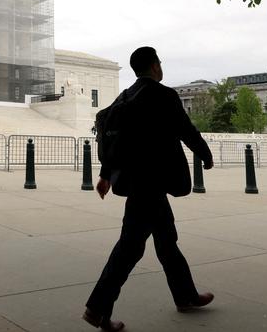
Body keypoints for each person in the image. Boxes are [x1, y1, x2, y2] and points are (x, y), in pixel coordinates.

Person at [82, 46, 216, 331]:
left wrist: (106, 175)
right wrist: (205, 154)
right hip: (151, 183)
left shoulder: (124, 97)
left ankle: (185, 295)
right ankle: (97, 308)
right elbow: (186, 129)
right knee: (130, 248)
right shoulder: (163, 95)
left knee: (166, 241)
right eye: (159, 63)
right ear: (155, 66)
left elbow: (116, 142)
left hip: (133, 181)